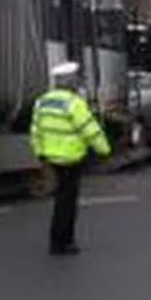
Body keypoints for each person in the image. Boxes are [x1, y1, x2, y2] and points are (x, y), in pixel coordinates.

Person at [31, 62, 112, 255]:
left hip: (50, 158)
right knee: (67, 202)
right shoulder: (74, 103)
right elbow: (90, 130)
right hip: (70, 159)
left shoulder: (42, 101)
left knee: (60, 199)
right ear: (70, 82)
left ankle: (57, 240)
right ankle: (63, 242)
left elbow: (36, 131)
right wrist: (104, 150)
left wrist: (40, 154)